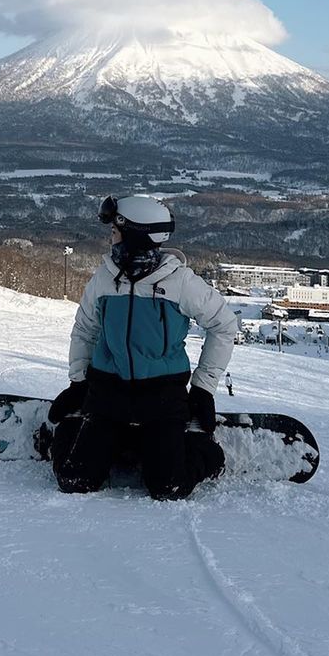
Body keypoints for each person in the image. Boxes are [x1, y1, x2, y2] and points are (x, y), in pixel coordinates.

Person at [49, 195, 237, 501]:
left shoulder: (180, 282)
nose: (110, 237)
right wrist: (78, 382)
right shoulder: (105, 277)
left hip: (162, 396)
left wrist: (203, 389)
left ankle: (199, 445)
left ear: (136, 235)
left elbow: (224, 325)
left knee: (168, 487)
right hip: (108, 391)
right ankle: (80, 429)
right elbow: (85, 329)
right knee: (74, 479)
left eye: (115, 230)